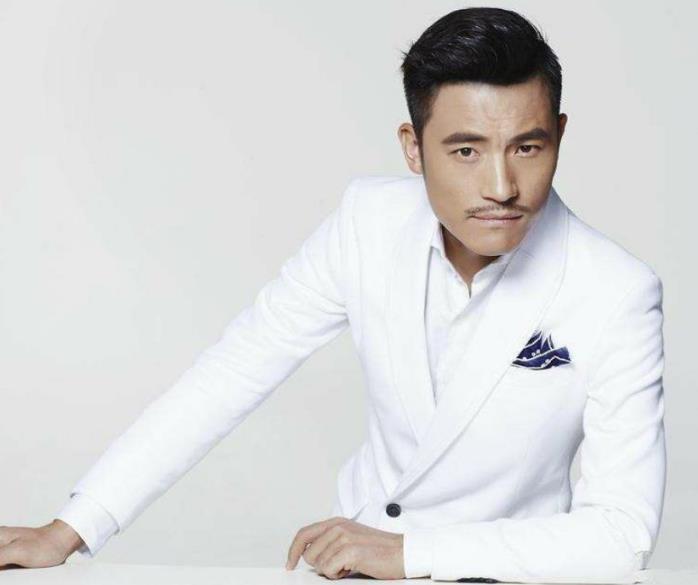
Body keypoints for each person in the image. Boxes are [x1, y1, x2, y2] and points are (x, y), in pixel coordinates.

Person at [0, 7, 665, 582]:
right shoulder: (366, 222)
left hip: (504, 575)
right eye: (466, 151)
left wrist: (410, 552)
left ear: (559, 136)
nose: (501, 186)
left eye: (527, 147)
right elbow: (232, 373)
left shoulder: (617, 292)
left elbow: (621, 536)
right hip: (352, 573)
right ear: (413, 148)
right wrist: (73, 527)